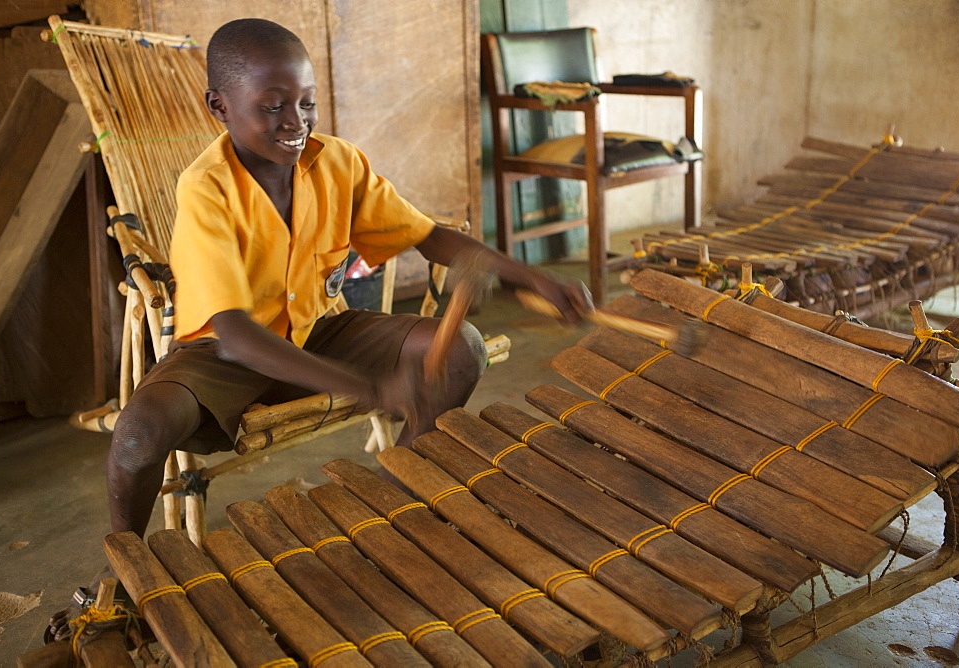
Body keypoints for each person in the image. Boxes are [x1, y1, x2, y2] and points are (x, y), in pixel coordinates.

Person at [46, 17, 591, 641]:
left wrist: (531, 277)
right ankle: (120, 579)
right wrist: (368, 386)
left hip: (318, 330)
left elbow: (431, 236)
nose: (295, 122)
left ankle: (391, 505)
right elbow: (234, 335)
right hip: (224, 352)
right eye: (273, 107)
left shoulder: (338, 164)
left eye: (306, 103)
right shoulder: (206, 188)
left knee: (461, 348)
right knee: (140, 432)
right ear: (218, 107)